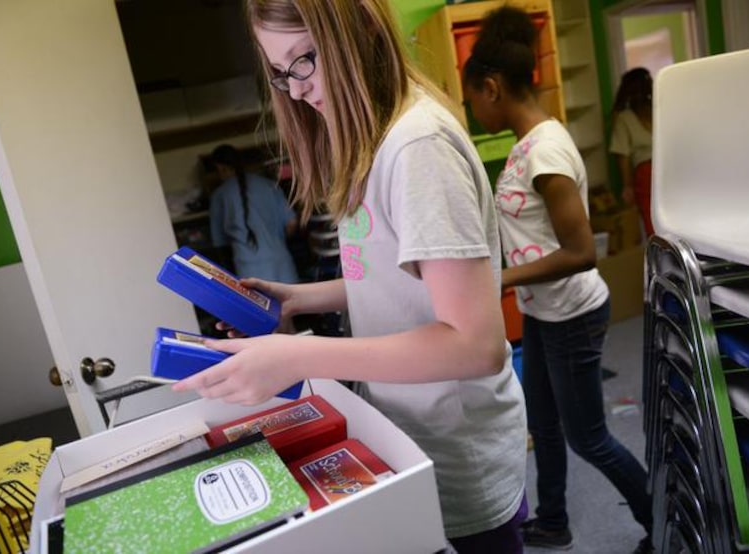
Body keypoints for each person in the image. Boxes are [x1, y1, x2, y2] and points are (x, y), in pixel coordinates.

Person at [173, 1, 529, 552]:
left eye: (304, 60)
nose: (293, 90)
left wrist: (299, 357)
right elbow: (394, 281)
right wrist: (295, 299)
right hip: (407, 435)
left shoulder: (417, 148)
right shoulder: (375, 141)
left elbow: (476, 346)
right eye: (279, 71)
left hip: (459, 455)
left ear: (357, 30)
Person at [462, 7, 653, 554]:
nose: (472, 108)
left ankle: (659, 518)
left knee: (587, 436)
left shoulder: (544, 150)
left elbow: (579, 251)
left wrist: (501, 278)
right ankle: (552, 520)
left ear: (493, 88)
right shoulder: (530, 145)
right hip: (545, 310)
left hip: (572, 310)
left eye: (473, 96)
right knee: (542, 423)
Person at [208, 144, 300, 284]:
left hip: (248, 268)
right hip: (281, 261)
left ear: (221, 168)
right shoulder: (269, 185)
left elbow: (219, 243)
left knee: (261, 306)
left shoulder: (219, 196)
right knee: (295, 304)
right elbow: (292, 223)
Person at [609, 67, 654, 237]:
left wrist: (627, 186)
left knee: (653, 225)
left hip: (646, 174)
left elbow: (623, 155)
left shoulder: (624, 118)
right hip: (668, 170)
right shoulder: (658, 109)